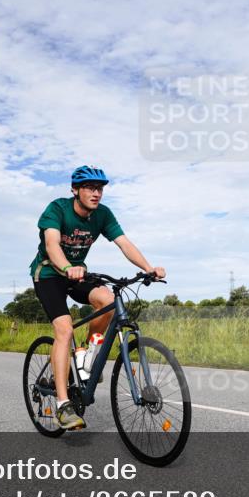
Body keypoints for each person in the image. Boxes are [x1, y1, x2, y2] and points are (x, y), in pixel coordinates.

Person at [29, 165, 165, 430]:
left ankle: (88, 358)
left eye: (100, 188)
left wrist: (148, 268)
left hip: (78, 275)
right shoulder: (57, 209)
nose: (96, 193)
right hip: (49, 274)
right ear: (75, 190)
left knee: (108, 302)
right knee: (65, 330)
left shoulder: (102, 215)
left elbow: (124, 243)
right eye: (90, 188)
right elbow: (52, 245)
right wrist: (68, 267)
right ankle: (63, 405)